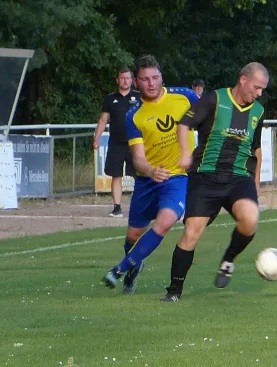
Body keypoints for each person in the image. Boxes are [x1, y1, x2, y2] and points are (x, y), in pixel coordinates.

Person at [161, 62, 269, 302]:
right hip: (206, 176)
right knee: (192, 232)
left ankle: (228, 259)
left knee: (250, 220)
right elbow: (184, 124)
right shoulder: (214, 99)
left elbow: (256, 148)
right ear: (243, 79)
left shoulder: (258, 111)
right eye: (257, 87)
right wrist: (186, 153)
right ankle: (174, 290)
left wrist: (257, 181)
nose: (259, 93)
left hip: (239, 178)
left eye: (263, 89)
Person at [101, 55, 198, 294]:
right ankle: (134, 265)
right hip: (147, 180)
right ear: (136, 82)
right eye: (145, 79)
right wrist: (151, 171)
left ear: (161, 77)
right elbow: (138, 158)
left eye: (155, 77)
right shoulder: (133, 115)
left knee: (165, 222)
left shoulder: (185, 96)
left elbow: (209, 118)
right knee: (133, 235)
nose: (151, 83)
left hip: (177, 177)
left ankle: (118, 270)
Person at [93, 67, 141, 217]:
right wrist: (96, 138)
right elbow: (103, 120)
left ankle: (141, 206)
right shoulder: (110, 98)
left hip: (135, 142)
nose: (125, 81)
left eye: (128, 78)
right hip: (116, 143)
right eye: (122, 78)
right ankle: (117, 207)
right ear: (117, 80)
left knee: (139, 175)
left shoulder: (140, 97)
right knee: (116, 175)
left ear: (132, 81)